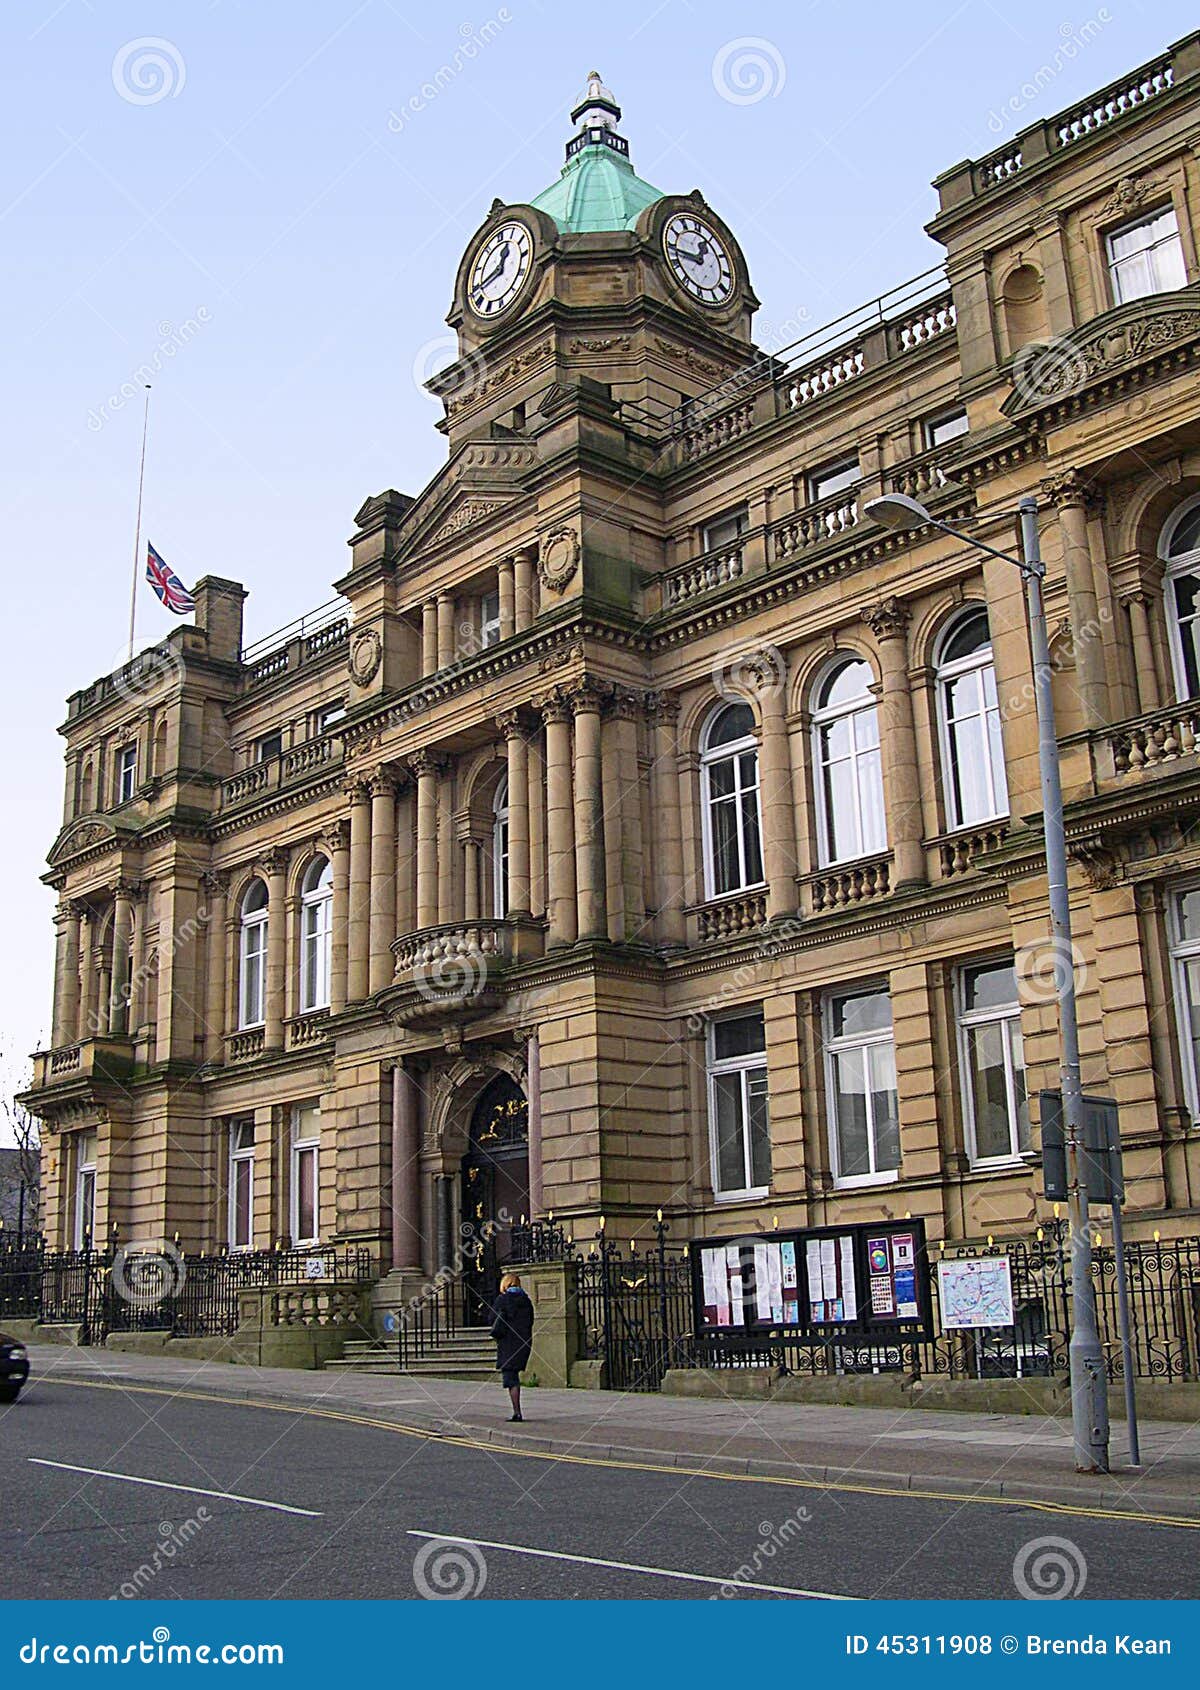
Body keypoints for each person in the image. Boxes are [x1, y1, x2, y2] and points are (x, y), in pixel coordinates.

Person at [490, 1271, 535, 1421]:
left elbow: (492, 1318)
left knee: (510, 1378)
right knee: (513, 1375)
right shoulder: (526, 1301)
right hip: (523, 1342)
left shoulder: (502, 1299)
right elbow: (530, 1321)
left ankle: (517, 1412)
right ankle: (517, 1411)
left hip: (508, 1343)